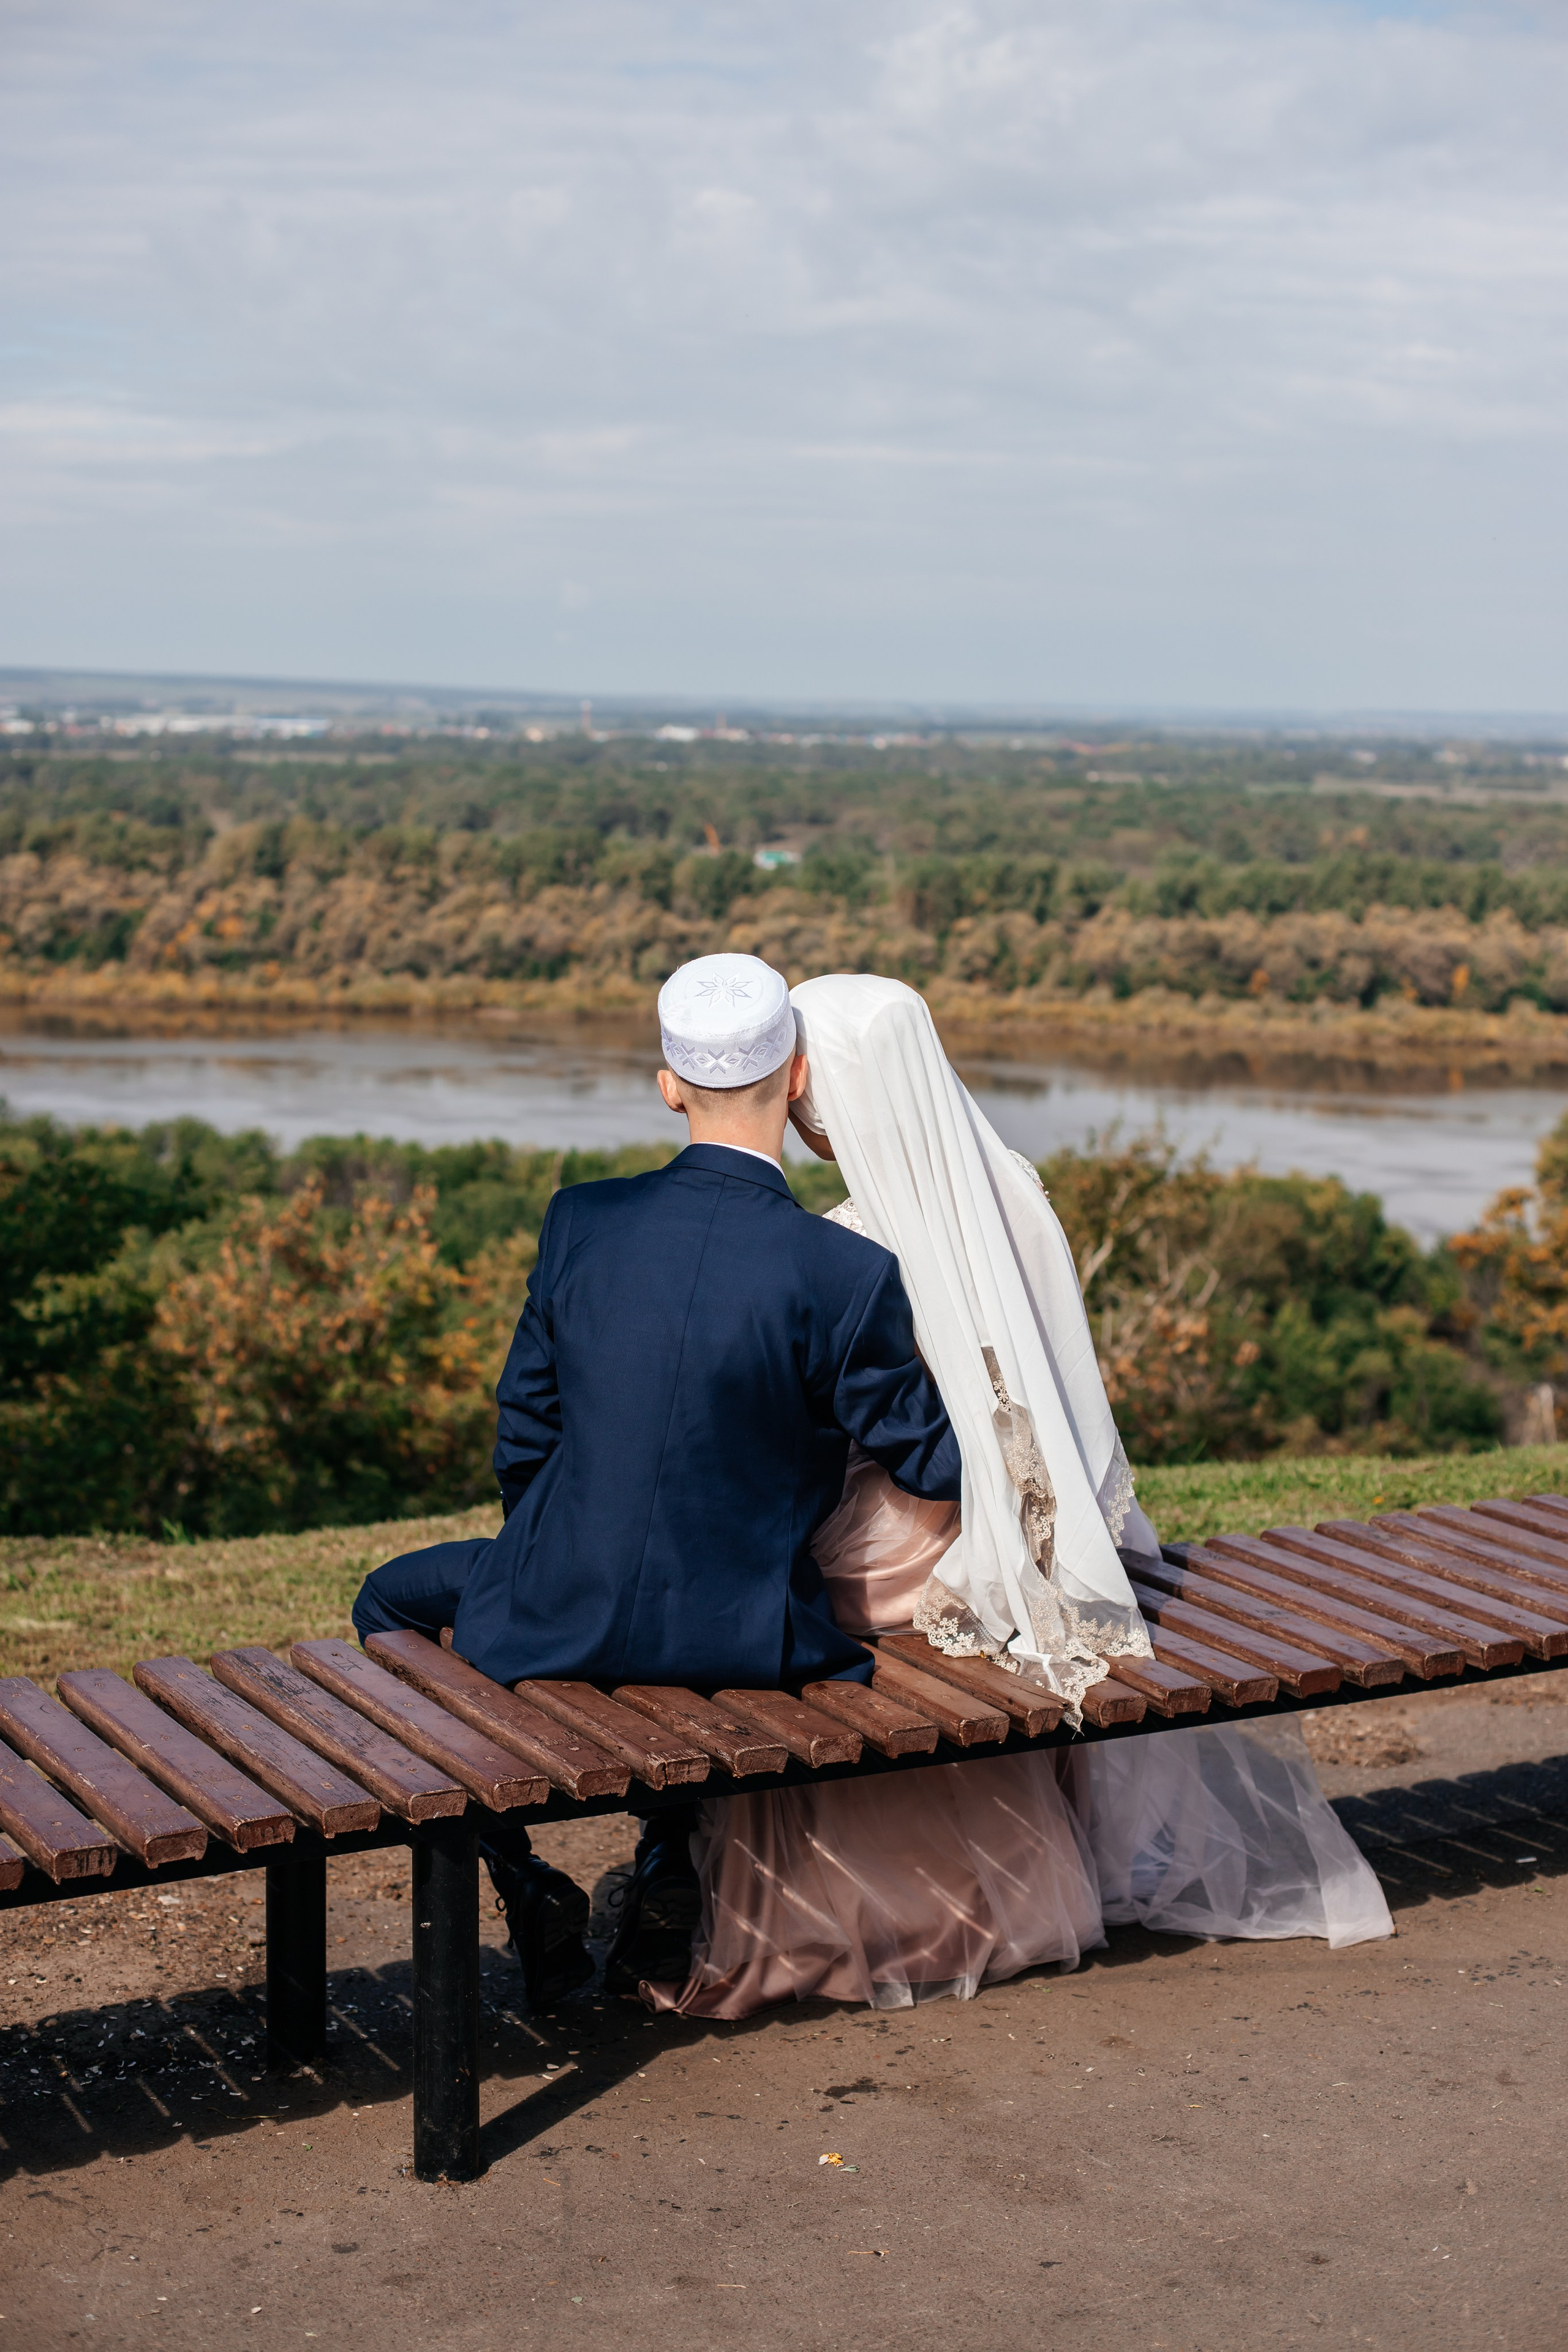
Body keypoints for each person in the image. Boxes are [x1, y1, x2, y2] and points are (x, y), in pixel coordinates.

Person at [645, 973, 1392, 2018]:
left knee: (762, 1580)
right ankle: (993, 1896)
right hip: (1034, 1533)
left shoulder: (849, 1241)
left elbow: (856, 1436)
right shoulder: (1017, 1194)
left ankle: (822, 1912)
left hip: (907, 1551)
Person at [352, 953, 962, 2007]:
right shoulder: (846, 1273)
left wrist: (557, 1547)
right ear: (801, 1077)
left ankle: (524, 1878)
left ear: (669, 1086)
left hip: (555, 1600)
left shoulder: (580, 1220)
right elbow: (928, 1460)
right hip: (747, 1631)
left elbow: (526, 1426)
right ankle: (670, 1859)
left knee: (385, 1595)